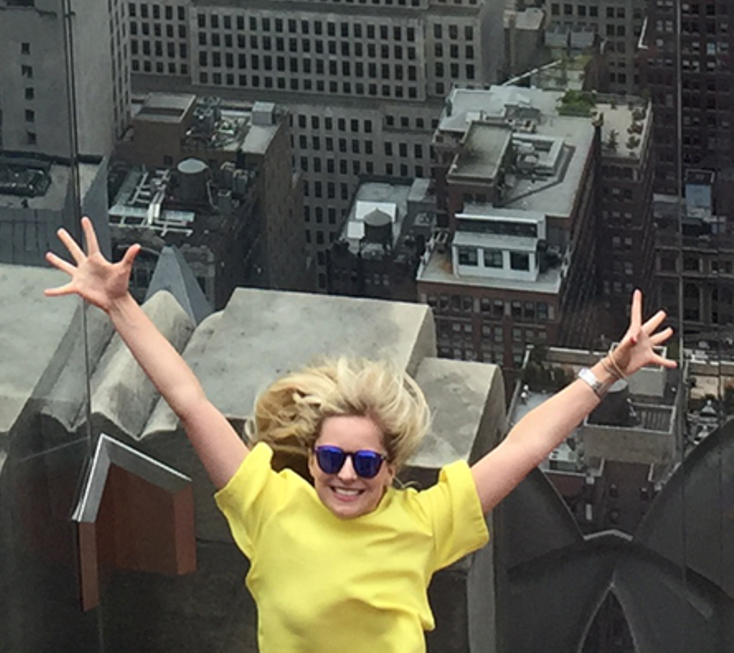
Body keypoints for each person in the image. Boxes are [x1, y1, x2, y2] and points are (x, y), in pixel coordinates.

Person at [44, 218, 677, 651]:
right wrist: (121, 306)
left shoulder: (425, 522)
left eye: (366, 462)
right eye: (332, 456)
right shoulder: (267, 504)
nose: (347, 473)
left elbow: (525, 446)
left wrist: (611, 369)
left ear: (391, 466)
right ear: (311, 457)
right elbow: (190, 402)